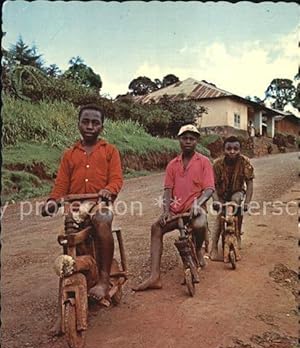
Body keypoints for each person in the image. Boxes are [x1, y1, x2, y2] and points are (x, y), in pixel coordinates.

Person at [42, 103, 123, 310]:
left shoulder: (109, 151)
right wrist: (52, 201)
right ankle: (64, 307)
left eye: (95, 123)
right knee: (68, 240)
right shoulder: (69, 154)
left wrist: (108, 190)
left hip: (99, 204)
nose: (89, 126)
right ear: (78, 124)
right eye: (85, 121)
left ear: (101, 127)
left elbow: (116, 179)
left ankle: (104, 280)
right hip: (75, 208)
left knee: (102, 220)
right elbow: (61, 185)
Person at [133, 124, 215, 292]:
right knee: (156, 228)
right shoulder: (172, 165)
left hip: (195, 209)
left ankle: (198, 249)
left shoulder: (204, 162)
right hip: (176, 211)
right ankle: (154, 276)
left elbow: (209, 189)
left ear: (196, 141)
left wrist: (197, 203)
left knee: (200, 224)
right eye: (184, 138)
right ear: (179, 140)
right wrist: (166, 211)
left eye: (192, 139)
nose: (188, 142)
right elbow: (167, 191)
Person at [209, 135, 254, 261]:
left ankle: (237, 235)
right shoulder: (217, 164)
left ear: (240, 150)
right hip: (221, 194)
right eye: (229, 149)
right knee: (220, 216)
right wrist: (215, 200)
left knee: (237, 207)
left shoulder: (245, 162)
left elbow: (249, 183)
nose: (232, 151)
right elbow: (211, 185)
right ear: (224, 150)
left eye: (235, 149)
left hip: (236, 192)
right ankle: (213, 246)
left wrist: (247, 202)